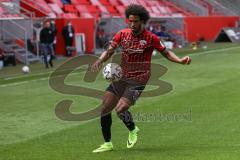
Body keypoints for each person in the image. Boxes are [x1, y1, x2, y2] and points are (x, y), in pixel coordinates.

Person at [91, 4, 191, 153]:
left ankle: (132, 129)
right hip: (121, 76)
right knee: (105, 108)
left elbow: (167, 53)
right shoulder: (122, 34)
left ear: (143, 21)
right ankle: (108, 143)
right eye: (130, 21)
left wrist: (180, 60)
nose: (132, 24)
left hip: (139, 78)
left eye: (136, 21)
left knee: (121, 109)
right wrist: (100, 60)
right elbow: (109, 50)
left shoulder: (151, 38)